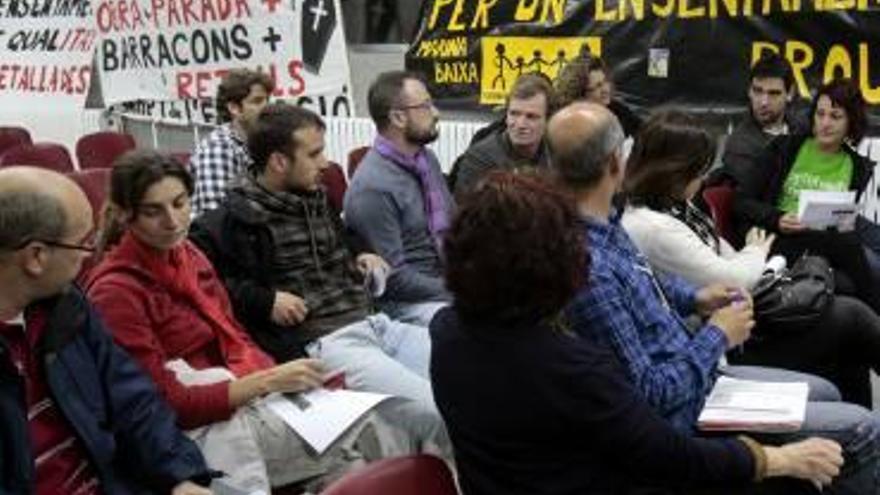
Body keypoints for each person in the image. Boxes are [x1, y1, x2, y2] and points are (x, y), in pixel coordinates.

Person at [432, 170, 843, 494]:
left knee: (826, 398)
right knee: (852, 436)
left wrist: (695, 302)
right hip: (637, 472)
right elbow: (667, 455)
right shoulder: (572, 366)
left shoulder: (447, 332)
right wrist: (776, 461)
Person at [550, 102, 880, 493]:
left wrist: (695, 297)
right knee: (861, 421)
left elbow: (648, 280)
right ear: (614, 164)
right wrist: (718, 335)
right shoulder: (593, 263)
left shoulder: (609, 223)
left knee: (837, 351)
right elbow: (651, 397)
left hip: (700, 362)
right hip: (691, 400)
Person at [86, 151, 402, 493]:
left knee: (353, 462)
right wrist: (267, 382)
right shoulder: (115, 292)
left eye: (179, 203)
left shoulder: (188, 254)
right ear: (123, 214)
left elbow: (235, 335)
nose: (173, 221)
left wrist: (281, 383)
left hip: (241, 396)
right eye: (153, 211)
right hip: (200, 427)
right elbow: (163, 407)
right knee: (373, 430)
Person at [190, 103, 450, 458]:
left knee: (474, 376)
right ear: (279, 162)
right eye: (314, 154)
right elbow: (208, 288)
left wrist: (361, 251)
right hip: (327, 344)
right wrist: (265, 300)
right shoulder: (231, 223)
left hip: (377, 324)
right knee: (441, 411)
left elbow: (342, 236)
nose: (326, 162)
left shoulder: (316, 199)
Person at [623, 109, 880, 407]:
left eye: (836, 116)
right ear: (675, 171)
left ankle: (859, 441)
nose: (704, 177)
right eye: (698, 171)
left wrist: (752, 257)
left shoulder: (676, 205)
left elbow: (722, 253)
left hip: (749, 300)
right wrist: (757, 250)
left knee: (851, 319)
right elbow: (733, 274)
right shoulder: (652, 226)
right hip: (733, 338)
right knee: (853, 315)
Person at [0, 166, 214, 495]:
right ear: (36, 257)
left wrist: (180, 476)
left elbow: (133, 399)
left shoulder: (66, 307)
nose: (89, 257)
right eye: (84, 243)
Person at [731, 78, 879, 312]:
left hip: (826, 238)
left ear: (851, 122)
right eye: (820, 114)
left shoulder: (856, 166)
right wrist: (777, 218)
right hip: (779, 237)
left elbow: (841, 219)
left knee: (864, 241)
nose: (825, 123)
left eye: (835, 116)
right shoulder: (784, 148)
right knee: (854, 250)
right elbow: (740, 202)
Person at [343, 71, 452, 326]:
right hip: (409, 305)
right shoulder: (372, 187)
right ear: (398, 117)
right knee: (491, 330)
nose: (436, 113)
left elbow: (456, 226)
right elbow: (394, 280)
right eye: (425, 106)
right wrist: (464, 290)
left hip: (446, 283)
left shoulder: (426, 160)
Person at [449, 73, 553, 197]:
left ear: (548, 119)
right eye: (514, 114)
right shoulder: (480, 159)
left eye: (531, 117)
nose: (520, 124)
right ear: (506, 115)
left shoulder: (558, 153)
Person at [190, 69, 273, 217]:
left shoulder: (261, 141)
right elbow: (215, 215)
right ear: (234, 108)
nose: (266, 107)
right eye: (257, 101)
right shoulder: (218, 148)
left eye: (267, 100)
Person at [720, 53, 807, 184]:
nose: (763, 102)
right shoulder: (740, 146)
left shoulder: (803, 127)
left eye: (773, 93)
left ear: (790, 93)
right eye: (757, 91)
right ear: (749, 91)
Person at [554, 53, 642, 138]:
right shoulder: (568, 126)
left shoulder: (620, 112)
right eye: (597, 86)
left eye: (605, 81)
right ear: (580, 95)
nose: (605, 89)